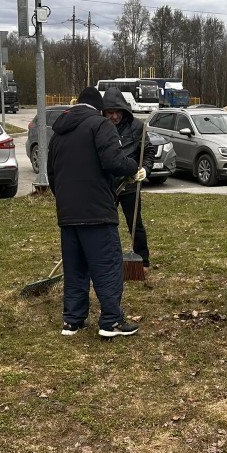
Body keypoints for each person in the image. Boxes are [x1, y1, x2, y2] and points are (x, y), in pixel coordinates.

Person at [47, 86, 144, 339]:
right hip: (97, 213)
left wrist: (68, 202)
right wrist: (133, 167)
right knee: (108, 266)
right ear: (98, 108)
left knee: (75, 268)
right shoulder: (100, 126)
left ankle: (73, 321)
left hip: (68, 214)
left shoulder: (58, 133)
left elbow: (52, 175)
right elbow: (114, 162)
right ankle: (111, 321)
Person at [102, 86, 156, 273]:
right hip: (108, 185)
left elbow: (148, 151)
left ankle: (143, 260)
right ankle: (108, 258)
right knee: (106, 223)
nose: (114, 116)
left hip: (130, 184)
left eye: (117, 112)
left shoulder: (137, 127)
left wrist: (144, 169)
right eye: (110, 112)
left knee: (135, 222)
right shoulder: (101, 127)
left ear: (123, 110)